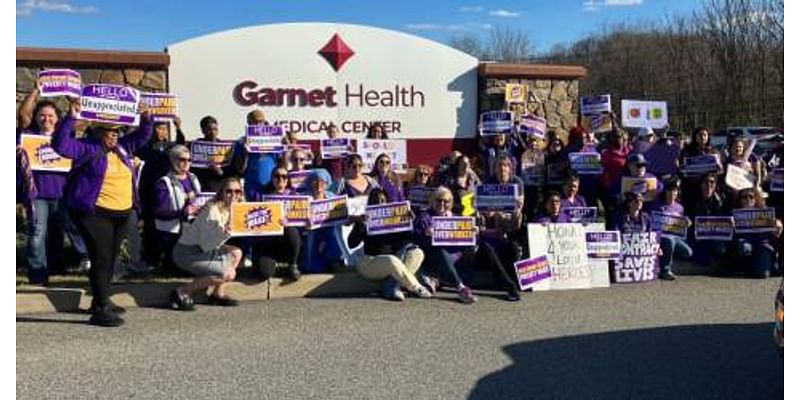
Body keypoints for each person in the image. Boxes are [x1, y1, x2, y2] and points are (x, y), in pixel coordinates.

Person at [51, 100, 153, 327]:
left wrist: (146, 117)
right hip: (94, 213)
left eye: (117, 132)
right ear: (98, 132)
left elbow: (143, 136)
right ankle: (100, 310)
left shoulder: (122, 148)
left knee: (109, 258)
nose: (114, 136)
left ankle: (100, 300)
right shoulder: (88, 147)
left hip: (121, 212)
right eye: (109, 132)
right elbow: (60, 145)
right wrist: (71, 118)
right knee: (102, 257)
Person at [17, 89, 89, 285]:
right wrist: (37, 90)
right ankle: (37, 274)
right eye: (42, 115)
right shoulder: (29, 134)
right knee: (37, 233)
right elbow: (23, 114)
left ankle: (57, 267)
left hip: (62, 193)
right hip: (37, 194)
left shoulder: (64, 134)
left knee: (59, 232)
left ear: (57, 118)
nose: (46, 119)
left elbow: (80, 114)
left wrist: (69, 93)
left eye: (50, 115)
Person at [171, 177, 244, 311]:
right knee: (226, 274)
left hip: (206, 249)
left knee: (236, 252)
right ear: (222, 192)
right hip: (188, 252)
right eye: (229, 191)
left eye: (237, 191)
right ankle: (183, 291)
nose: (233, 195)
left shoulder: (237, 209)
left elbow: (256, 225)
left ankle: (218, 293)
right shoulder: (212, 210)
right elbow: (206, 244)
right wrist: (225, 232)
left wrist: (279, 223)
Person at [349, 188, 432, 301]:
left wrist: (410, 223)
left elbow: (410, 238)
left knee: (417, 253)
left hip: (395, 261)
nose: (379, 203)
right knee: (391, 260)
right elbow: (351, 244)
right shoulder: (365, 219)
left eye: (382, 200)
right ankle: (416, 287)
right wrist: (360, 226)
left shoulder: (395, 219)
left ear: (387, 202)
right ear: (370, 203)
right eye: (375, 201)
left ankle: (392, 286)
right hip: (370, 262)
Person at [414, 186, 478, 304]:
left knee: (468, 252)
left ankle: (439, 280)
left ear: (451, 203)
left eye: (446, 201)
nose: (442, 204)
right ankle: (461, 288)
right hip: (432, 258)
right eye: (439, 200)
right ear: (433, 202)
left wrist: (473, 234)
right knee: (441, 252)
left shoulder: (458, 219)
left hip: (454, 258)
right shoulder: (425, 217)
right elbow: (418, 242)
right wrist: (426, 234)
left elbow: (467, 246)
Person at [136, 116, 186, 268]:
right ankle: (151, 258)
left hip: (166, 191)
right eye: (158, 128)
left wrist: (178, 128)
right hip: (148, 189)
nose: (161, 132)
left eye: (164, 128)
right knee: (150, 225)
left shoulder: (170, 147)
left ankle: (169, 258)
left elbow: (181, 147)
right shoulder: (145, 145)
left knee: (169, 224)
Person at [476, 155, 525, 301]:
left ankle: (511, 283)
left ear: (510, 168)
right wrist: (493, 213)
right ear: (495, 168)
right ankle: (512, 287)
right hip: (493, 225)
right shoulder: (489, 182)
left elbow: (519, 208)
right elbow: (484, 209)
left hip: (512, 224)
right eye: (500, 165)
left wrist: (501, 213)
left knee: (512, 248)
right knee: (494, 248)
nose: (503, 168)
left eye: (506, 165)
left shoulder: (517, 182)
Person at [151, 145, 202, 271]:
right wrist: (182, 212)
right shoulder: (164, 182)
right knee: (174, 268)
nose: (186, 163)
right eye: (182, 160)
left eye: (189, 160)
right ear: (173, 160)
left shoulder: (193, 178)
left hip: (191, 229)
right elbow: (159, 212)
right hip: (171, 233)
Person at [253, 167, 303, 281]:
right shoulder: (261, 196)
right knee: (265, 273)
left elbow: (301, 223)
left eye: (284, 176)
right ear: (272, 178)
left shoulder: (296, 197)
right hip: (267, 243)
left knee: (291, 230)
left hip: (287, 241)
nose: (280, 179)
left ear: (287, 180)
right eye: (277, 176)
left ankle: (293, 264)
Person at [731, 188, 782, 278]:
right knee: (742, 246)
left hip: (763, 246)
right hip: (746, 246)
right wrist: (731, 227)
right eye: (745, 197)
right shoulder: (735, 214)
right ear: (740, 200)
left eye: (751, 196)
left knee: (762, 274)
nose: (748, 199)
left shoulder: (764, 211)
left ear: (756, 199)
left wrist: (777, 227)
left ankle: (769, 266)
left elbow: (776, 232)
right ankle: (747, 267)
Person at [303, 169, 348, 273]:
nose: (319, 184)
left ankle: (334, 261)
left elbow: (341, 218)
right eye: (315, 181)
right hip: (313, 234)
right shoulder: (305, 199)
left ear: (327, 183)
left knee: (333, 240)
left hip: (330, 233)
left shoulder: (332, 197)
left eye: (322, 181)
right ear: (310, 183)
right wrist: (304, 223)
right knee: (315, 268)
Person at [232, 110, 280, 200]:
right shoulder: (241, 142)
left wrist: (285, 144)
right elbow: (240, 170)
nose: (258, 125)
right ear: (249, 124)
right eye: (254, 122)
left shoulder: (273, 140)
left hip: (272, 187)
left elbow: (282, 165)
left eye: (260, 122)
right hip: (252, 188)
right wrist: (246, 155)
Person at [684, 173, 729, 267]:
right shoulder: (692, 199)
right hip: (695, 235)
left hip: (713, 235)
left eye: (712, 182)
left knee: (721, 248)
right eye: (706, 182)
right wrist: (687, 219)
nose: (709, 185)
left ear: (715, 185)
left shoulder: (721, 200)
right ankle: (706, 259)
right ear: (701, 184)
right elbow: (687, 216)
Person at [652, 180, 693, 281]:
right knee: (669, 241)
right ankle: (665, 271)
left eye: (674, 191)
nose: (672, 194)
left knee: (688, 252)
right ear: (665, 192)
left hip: (675, 237)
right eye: (669, 191)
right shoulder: (657, 206)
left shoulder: (680, 208)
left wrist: (686, 222)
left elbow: (681, 225)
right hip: (661, 238)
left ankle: (666, 257)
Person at [190, 115, 230, 193]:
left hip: (218, 185)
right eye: (209, 129)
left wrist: (220, 171)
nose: (213, 132)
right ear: (203, 130)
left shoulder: (224, 147)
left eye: (215, 129)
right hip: (201, 185)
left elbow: (229, 171)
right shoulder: (195, 146)